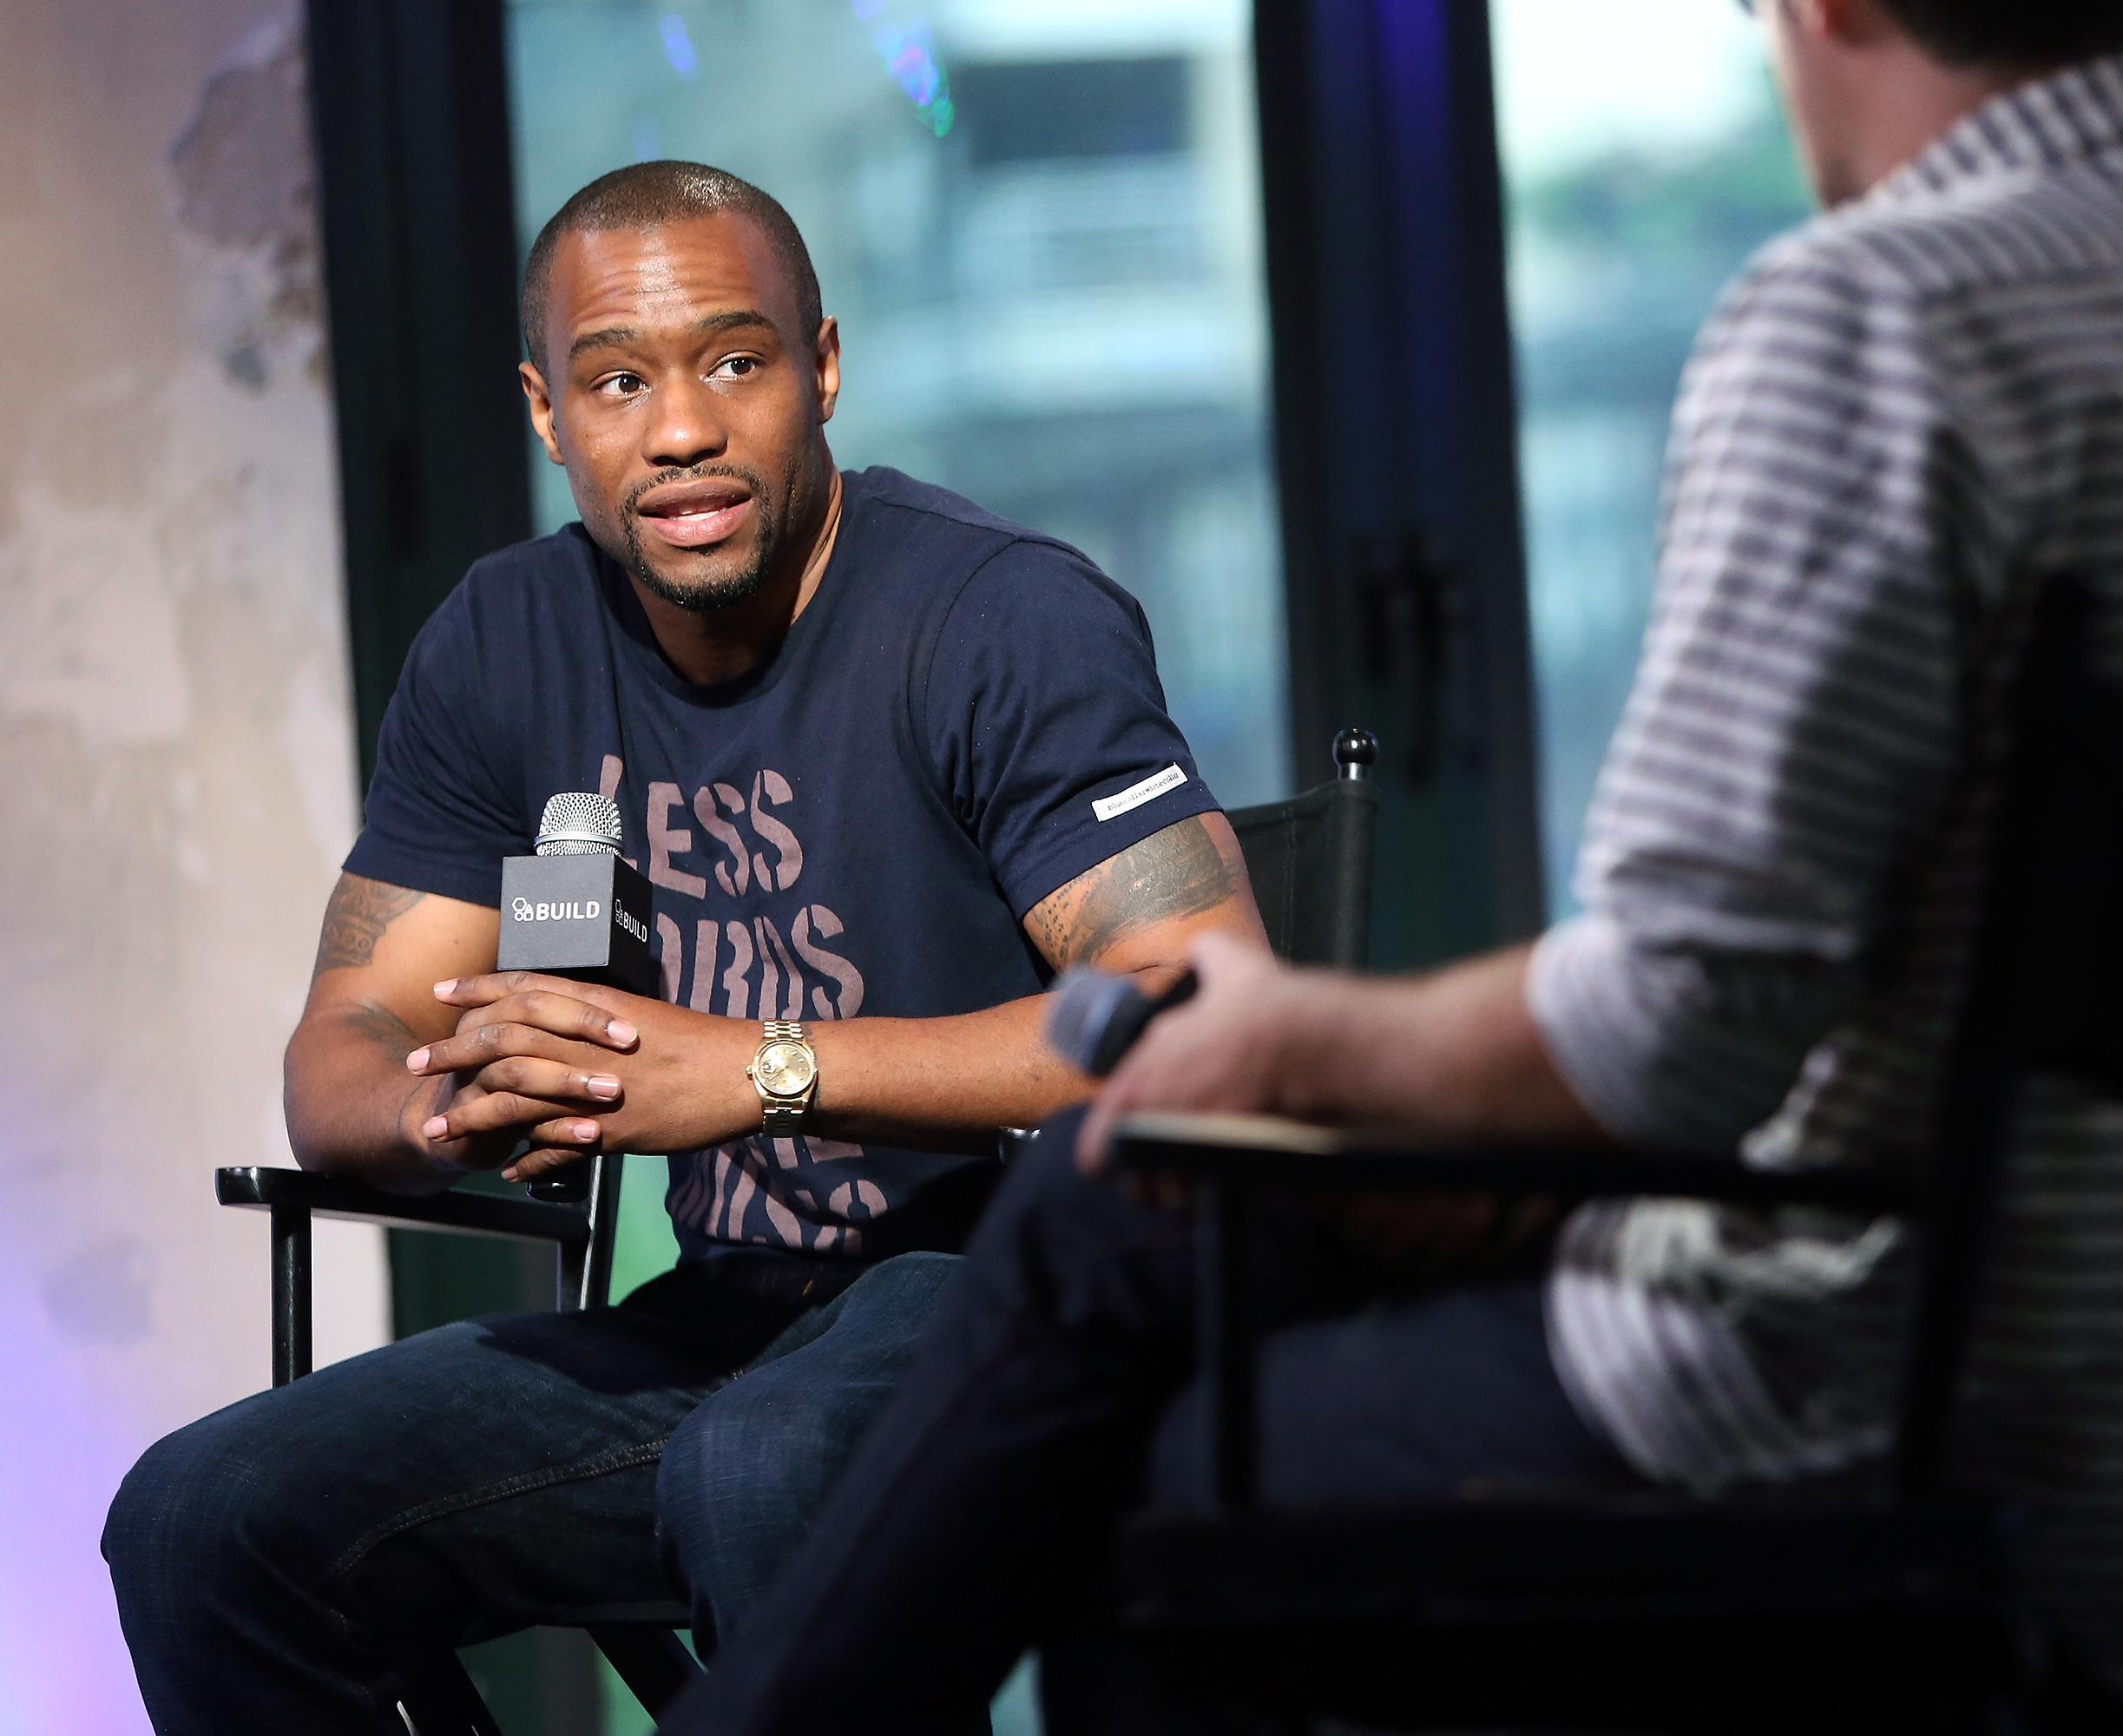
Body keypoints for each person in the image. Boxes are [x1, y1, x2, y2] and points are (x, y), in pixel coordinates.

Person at [655, 3, 2123, 1733]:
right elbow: (2064, 1008)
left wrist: (1294, 1037)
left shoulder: (1889, 313)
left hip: (1886, 1407)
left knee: (1141, 1287)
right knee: (1147, 1203)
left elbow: (1673, 1036)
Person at [101, 160, 1266, 1733]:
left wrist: (761, 1075)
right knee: (202, 1517)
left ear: (824, 367)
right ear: (545, 410)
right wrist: (455, 1101)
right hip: (716, 1336)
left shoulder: (995, 617)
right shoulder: (507, 644)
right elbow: (340, 1056)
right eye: (617, 380)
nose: (680, 432)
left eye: (736, 361)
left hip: (1020, 1298)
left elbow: (1201, 1017)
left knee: (759, 1468)